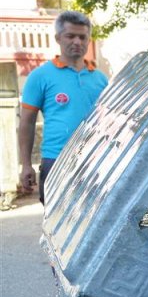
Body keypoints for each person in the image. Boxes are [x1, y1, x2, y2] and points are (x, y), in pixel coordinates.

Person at [18, 11, 108, 206]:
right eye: (70, 36)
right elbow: (27, 122)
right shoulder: (40, 76)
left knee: (94, 223)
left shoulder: (100, 79)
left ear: (88, 39)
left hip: (94, 161)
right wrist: (26, 165)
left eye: (82, 37)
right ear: (58, 38)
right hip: (56, 160)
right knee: (57, 225)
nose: (77, 41)